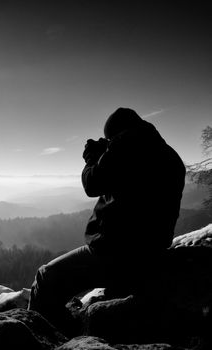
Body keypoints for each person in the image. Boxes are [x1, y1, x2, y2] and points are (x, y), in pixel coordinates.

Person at [28, 107, 186, 335]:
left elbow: (92, 183)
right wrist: (107, 153)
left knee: (46, 276)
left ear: (117, 133)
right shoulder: (169, 155)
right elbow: (131, 183)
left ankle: (42, 338)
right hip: (152, 250)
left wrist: (92, 158)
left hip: (116, 252)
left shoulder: (126, 145)